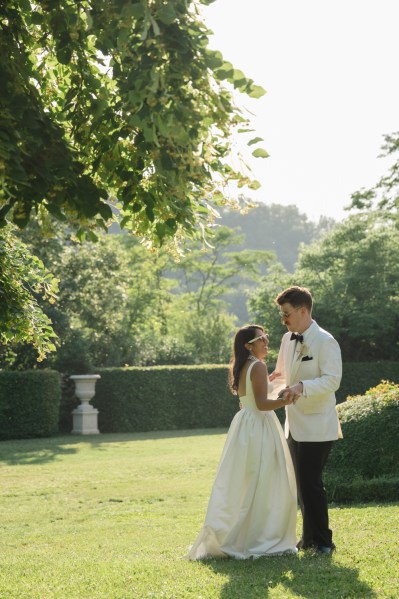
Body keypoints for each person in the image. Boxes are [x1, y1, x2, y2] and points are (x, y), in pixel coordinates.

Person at [186, 324, 298, 560]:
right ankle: (259, 535)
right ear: (249, 345)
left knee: (247, 478)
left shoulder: (246, 366)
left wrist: (268, 380)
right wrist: (287, 400)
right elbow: (261, 404)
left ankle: (246, 531)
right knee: (266, 478)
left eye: (266, 338)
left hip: (245, 425)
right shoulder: (257, 366)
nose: (267, 343)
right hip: (259, 426)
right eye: (263, 339)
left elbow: (250, 396)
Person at [271, 286, 342, 555]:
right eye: (282, 315)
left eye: (287, 314)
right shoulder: (287, 339)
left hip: (318, 425)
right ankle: (310, 538)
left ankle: (324, 541)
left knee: (311, 482)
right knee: (301, 484)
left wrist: (302, 386)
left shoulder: (326, 341)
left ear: (303, 311)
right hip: (294, 425)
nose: (284, 320)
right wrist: (260, 386)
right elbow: (280, 374)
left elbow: (332, 380)